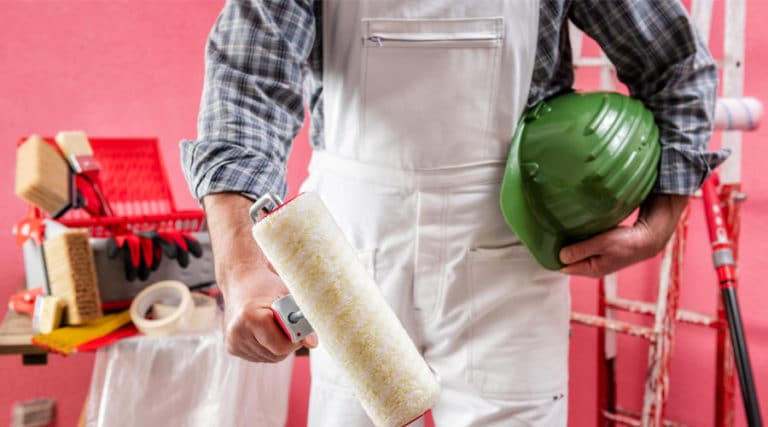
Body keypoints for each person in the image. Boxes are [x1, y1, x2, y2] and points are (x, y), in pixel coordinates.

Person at [181, 1, 726, 425]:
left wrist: (659, 223)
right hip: (346, 257)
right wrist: (241, 267)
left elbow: (674, 66)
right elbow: (245, 83)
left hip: (510, 254)